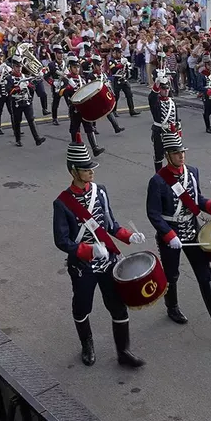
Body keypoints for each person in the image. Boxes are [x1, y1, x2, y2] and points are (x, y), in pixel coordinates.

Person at [52, 142, 147, 368]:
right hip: (83, 266)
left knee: (117, 305)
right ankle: (87, 344)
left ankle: (123, 351)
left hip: (107, 262)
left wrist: (128, 236)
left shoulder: (100, 191)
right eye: (86, 169)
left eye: (92, 168)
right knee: (82, 306)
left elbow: (110, 224)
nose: (91, 171)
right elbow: (61, 240)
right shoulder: (62, 203)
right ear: (74, 171)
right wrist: (89, 250)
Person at [145, 132, 211, 329]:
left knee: (204, 271)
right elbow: (153, 213)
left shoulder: (192, 172)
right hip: (171, 232)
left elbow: (196, 198)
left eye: (182, 152)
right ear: (168, 155)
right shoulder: (158, 181)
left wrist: (210, 204)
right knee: (172, 274)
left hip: (192, 228)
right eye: (176, 153)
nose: (181, 156)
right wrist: (168, 234)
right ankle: (172, 307)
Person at [5, 57, 47, 148]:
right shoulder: (9, 78)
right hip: (16, 102)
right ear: (13, 66)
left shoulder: (24, 76)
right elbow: (8, 91)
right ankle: (18, 140)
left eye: (20, 66)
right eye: (17, 66)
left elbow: (32, 87)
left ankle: (37, 139)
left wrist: (30, 85)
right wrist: (17, 88)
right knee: (17, 121)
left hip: (26, 101)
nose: (19, 68)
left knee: (31, 119)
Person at [148, 71, 178, 172]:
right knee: (159, 157)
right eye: (163, 88)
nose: (166, 90)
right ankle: (159, 176)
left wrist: (178, 132)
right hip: (159, 132)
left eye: (167, 88)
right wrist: (156, 86)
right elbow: (151, 97)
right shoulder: (156, 102)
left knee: (174, 155)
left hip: (172, 132)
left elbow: (176, 119)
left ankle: (173, 175)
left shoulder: (172, 102)